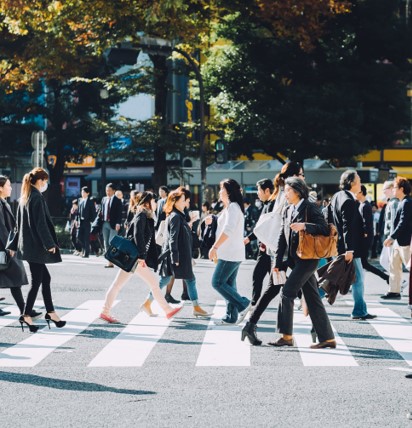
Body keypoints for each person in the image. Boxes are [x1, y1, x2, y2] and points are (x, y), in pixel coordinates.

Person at [242, 161, 305, 345]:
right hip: (284, 252)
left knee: (279, 289)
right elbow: (285, 223)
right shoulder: (288, 193)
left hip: (281, 251)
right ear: (294, 176)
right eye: (300, 174)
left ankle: (253, 325)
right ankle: (314, 330)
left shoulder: (282, 191)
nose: (302, 177)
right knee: (287, 289)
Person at [269, 177, 336, 348]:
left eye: (288, 190)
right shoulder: (287, 209)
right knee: (312, 298)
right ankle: (327, 339)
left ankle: (286, 336)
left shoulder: (310, 207)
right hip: (294, 259)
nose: (285, 193)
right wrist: (277, 261)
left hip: (308, 259)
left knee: (287, 292)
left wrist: (305, 226)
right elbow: (281, 237)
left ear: (297, 191)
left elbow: (324, 228)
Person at [100, 191, 183, 323]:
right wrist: (142, 256)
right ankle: (167, 310)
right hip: (136, 258)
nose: (155, 203)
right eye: (153, 201)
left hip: (133, 257)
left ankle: (105, 311)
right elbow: (138, 235)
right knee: (154, 284)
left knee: (117, 285)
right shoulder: (142, 215)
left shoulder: (145, 215)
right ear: (147, 203)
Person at [7, 167, 66, 333]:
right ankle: (26, 315)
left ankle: (51, 313)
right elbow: (40, 224)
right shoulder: (36, 198)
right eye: (45, 180)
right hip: (37, 247)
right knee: (37, 281)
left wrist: (13, 246)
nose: (46, 183)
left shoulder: (24, 198)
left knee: (44, 279)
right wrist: (49, 244)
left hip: (29, 247)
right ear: (39, 181)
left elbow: (18, 226)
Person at [140, 188, 211, 318]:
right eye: (183, 200)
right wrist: (175, 257)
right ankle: (147, 303)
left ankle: (195, 307)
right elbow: (172, 238)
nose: (186, 202)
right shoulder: (175, 216)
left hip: (179, 255)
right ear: (175, 202)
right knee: (168, 280)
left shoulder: (178, 216)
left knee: (185, 279)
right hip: (177, 256)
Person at [329, 170, 376, 320]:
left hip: (340, 246)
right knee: (353, 279)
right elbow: (347, 226)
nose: (361, 183)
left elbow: (328, 217)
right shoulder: (348, 200)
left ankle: (360, 309)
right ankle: (358, 311)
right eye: (359, 180)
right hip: (349, 248)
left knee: (342, 277)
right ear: (351, 182)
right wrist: (349, 249)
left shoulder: (337, 196)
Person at [209, 178, 251, 325]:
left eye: (222, 189)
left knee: (217, 282)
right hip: (232, 252)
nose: (220, 192)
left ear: (228, 192)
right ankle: (230, 316)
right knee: (229, 285)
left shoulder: (233, 207)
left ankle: (244, 304)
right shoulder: (231, 207)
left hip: (230, 253)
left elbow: (228, 229)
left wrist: (215, 247)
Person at [0, 176, 42, 318]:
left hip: (5, 247)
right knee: (15, 275)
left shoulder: (3, 202)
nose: (11, 188)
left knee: (13, 279)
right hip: (4, 248)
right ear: (0, 188)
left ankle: (25, 310)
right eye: (8, 185)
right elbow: (2, 229)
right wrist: (10, 246)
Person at [244, 178, 275, 305]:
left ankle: (254, 304)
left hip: (268, 249)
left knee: (268, 278)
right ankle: (254, 303)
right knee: (265, 277)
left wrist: (249, 238)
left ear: (267, 190)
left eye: (258, 190)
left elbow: (265, 227)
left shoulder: (271, 205)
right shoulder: (267, 205)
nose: (257, 193)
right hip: (265, 249)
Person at [382, 177, 412, 300]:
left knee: (409, 266)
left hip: (405, 241)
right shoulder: (402, 202)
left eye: (395, 187)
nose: (393, 189)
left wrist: (391, 237)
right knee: (394, 266)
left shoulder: (407, 202)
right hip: (399, 241)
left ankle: (395, 291)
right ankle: (394, 291)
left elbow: (403, 223)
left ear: (401, 189)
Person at [356, 185, 389, 283]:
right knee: (363, 263)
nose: (354, 194)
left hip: (364, 240)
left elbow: (367, 225)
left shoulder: (365, 206)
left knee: (363, 263)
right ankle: (386, 277)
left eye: (356, 192)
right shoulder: (362, 205)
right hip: (364, 239)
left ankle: (386, 277)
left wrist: (364, 236)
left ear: (361, 192)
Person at [101, 183, 123, 268]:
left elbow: (119, 213)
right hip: (105, 223)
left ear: (114, 191)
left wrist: (118, 223)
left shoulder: (117, 200)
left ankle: (114, 258)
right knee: (106, 242)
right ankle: (109, 262)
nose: (108, 192)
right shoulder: (103, 199)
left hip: (114, 223)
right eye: (107, 190)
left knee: (111, 241)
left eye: (110, 190)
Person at [77, 186, 96, 258]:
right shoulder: (79, 200)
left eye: (84, 192)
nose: (83, 194)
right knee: (79, 237)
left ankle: (86, 253)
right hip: (80, 221)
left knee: (86, 238)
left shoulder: (90, 201)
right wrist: (76, 220)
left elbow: (94, 213)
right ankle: (84, 249)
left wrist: (91, 221)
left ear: (88, 193)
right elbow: (78, 212)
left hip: (87, 221)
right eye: (82, 192)